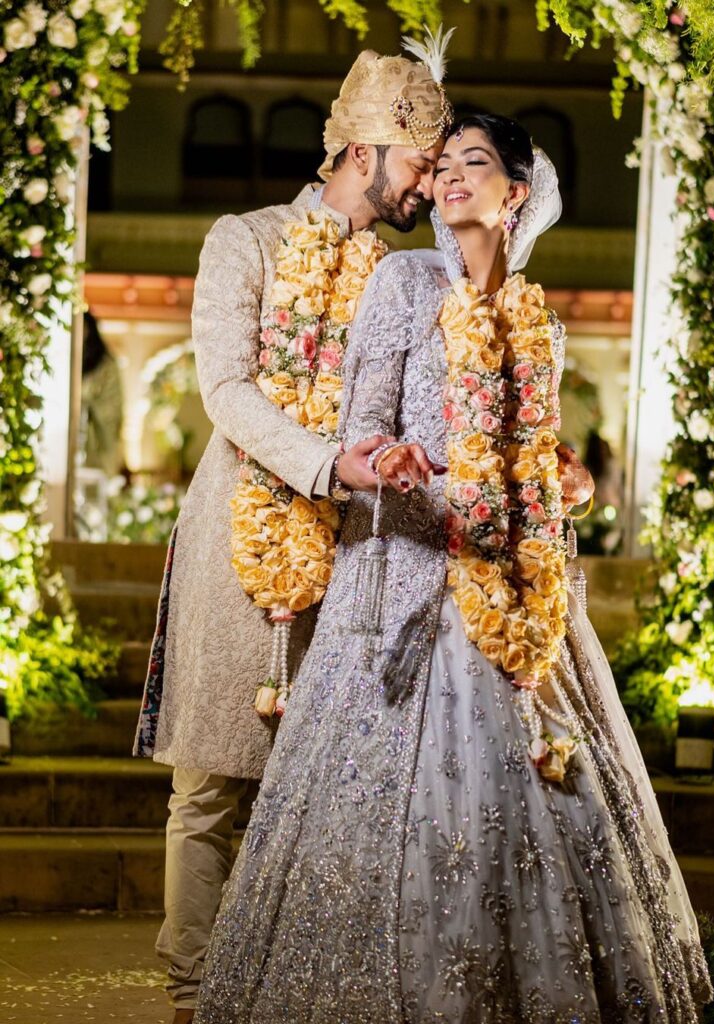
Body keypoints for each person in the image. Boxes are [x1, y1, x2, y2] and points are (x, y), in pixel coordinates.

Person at [194, 115, 713, 1023]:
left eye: (475, 164)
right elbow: (364, 419)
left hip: (510, 578)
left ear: (516, 193)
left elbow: (531, 452)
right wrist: (383, 458)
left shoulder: (535, 318)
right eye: (444, 167)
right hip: (404, 570)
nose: (450, 179)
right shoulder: (401, 282)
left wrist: (569, 477)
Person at [133, 40, 457, 1024]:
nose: (428, 184)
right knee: (209, 789)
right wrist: (326, 462)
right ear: (364, 152)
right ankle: (194, 998)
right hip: (241, 535)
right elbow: (224, 387)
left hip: (359, 554)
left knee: (326, 791)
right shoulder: (248, 240)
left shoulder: (404, 275)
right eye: (418, 165)